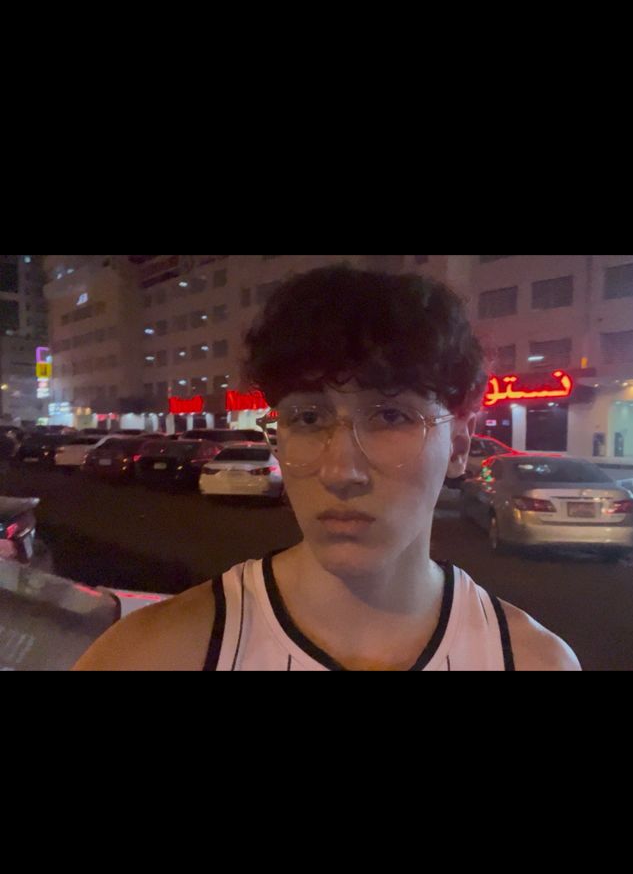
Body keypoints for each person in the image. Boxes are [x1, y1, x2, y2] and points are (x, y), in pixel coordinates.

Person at [75, 265, 580, 672]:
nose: (340, 472)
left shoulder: (534, 661)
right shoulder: (152, 655)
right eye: (308, 418)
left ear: (458, 446)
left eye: (390, 416)